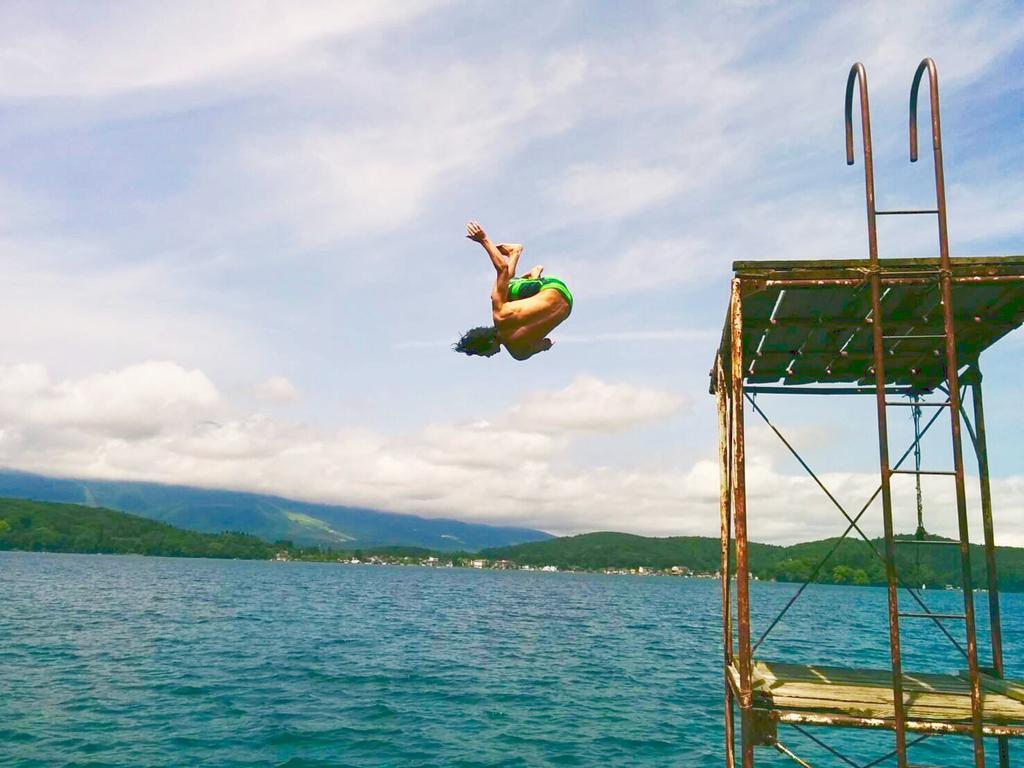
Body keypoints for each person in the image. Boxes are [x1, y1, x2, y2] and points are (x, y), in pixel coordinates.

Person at [454, 221, 573, 361]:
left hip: (568, 306)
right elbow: (503, 269)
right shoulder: (500, 315)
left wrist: (542, 343)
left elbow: (546, 343)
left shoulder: (519, 353)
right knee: (500, 294)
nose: (487, 356)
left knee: (503, 294)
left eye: (482, 354)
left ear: (488, 343)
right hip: (552, 286)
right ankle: (518, 258)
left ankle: (521, 263)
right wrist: (483, 239)